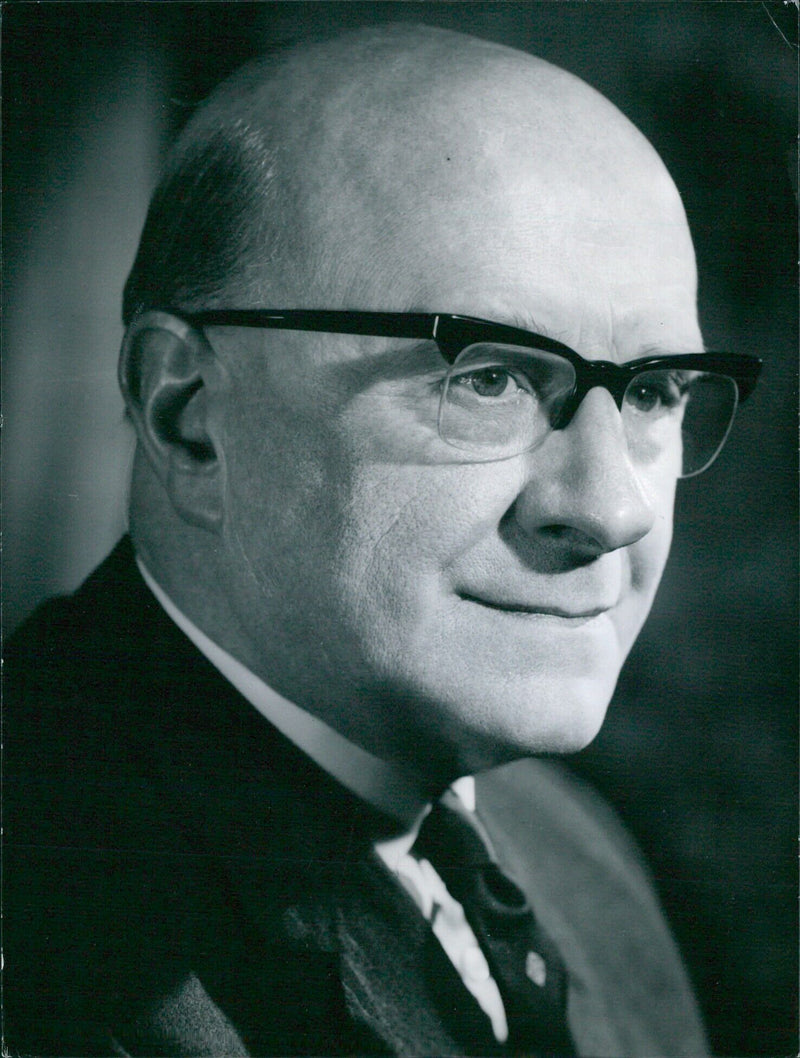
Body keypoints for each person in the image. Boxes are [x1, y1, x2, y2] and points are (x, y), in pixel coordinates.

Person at [4, 23, 761, 1057]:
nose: (609, 509)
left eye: (652, 391)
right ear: (188, 412)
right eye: (488, 376)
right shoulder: (49, 930)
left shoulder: (574, 853)